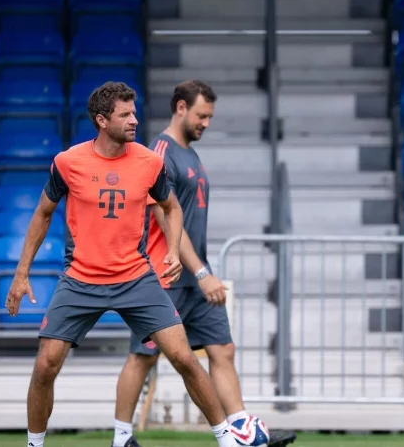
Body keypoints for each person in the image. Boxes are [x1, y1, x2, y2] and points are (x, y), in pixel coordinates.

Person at [4, 81, 240, 447]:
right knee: (45, 364)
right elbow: (42, 214)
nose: (134, 119)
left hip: (136, 277)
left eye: (134, 112)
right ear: (101, 120)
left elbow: (171, 207)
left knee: (183, 357)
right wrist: (21, 276)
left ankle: (228, 439)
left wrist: (173, 251)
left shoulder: (149, 162)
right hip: (80, 278)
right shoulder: (67, 163)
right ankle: (34, 444)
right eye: (125, 114)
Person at [112, 80, 296, 447]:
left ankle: (243, 431)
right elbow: (165, 220)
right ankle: (122, 438)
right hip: (165, 276)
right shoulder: (161, 152)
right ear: (180, 107)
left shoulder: (189, 154)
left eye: (210, 117)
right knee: (142, 357)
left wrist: (200, 273)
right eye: (201, 115)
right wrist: (202, 272)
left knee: (222, 349)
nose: (206, 123)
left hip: (194, 278)